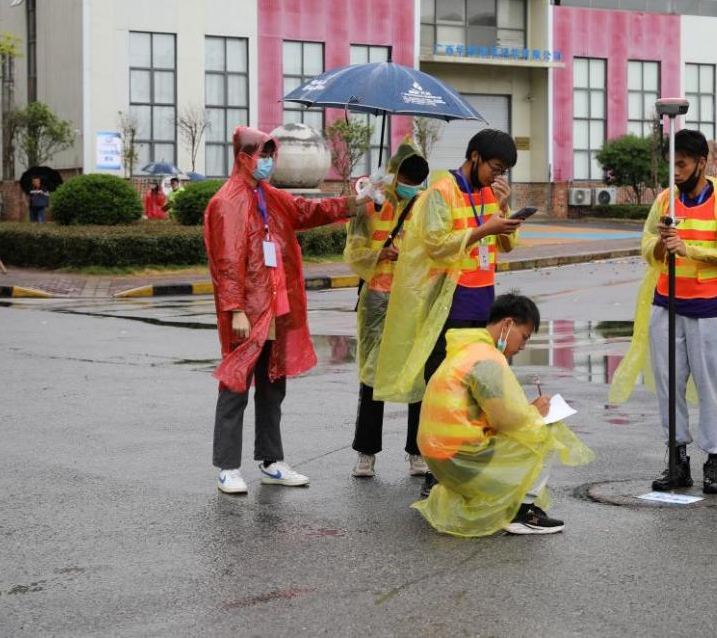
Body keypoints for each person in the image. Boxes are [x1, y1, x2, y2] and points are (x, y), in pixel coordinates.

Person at [206, 126, 367, 495]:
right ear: (243, 157)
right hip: (246, 311)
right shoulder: (226, 202)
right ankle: (228, 467)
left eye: (270, 155)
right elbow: (226, 263)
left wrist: (353, 201)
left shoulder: (270, 197)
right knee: (235, 384)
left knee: (272, 383)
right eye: (262, 154)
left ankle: (271, 460)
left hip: (276, 308)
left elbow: (308, 210)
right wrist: (235, 309)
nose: (267, 161)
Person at [610, 129, 717, 494]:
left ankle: (714, 460)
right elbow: (647, 243)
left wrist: (687, 248)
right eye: (671, 164)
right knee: (668, 386)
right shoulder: (665, 200)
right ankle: (677, 461)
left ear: (701, 163)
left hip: (707, 309)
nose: (675, 171)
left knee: (712, 388)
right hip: (667, 305)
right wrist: (662, 246)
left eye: (682, 164)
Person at [374, 129, 524, 498]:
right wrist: (482, 229)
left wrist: (503, 214)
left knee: (475, 392)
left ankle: (467, 466)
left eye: (503, 171)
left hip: (483, 303)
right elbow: (436, 246)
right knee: (442, 390)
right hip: (449, 304)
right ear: (474, 156)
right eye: (495, 167)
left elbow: (505, 244)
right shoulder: (441, 192)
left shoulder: (491, 194)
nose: (497, 176)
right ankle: (434, 470)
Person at [412, 294, 593, 536]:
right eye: (524, 337)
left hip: (437, 457)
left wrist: (527, 412)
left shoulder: (467, 349)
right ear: (507, 324)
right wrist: (535, 413)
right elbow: (505, 420)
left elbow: (491, 412)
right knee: (548, 430)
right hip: (460, 458)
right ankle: (521, 511)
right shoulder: (487, 359)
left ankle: (500, 502)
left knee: (532, 425)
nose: (522, 346)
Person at [344, 140, 431, 478]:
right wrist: (381, 254)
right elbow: (353, 252)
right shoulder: (371, 205)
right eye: (408, 181)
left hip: (413, 299)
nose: (412, 189)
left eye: (417, 183)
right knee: (372, 376)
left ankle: (417, 452)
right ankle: (366, 452)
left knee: (417, 374)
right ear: (396, 177)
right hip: (378, 300)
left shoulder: (425, 206)